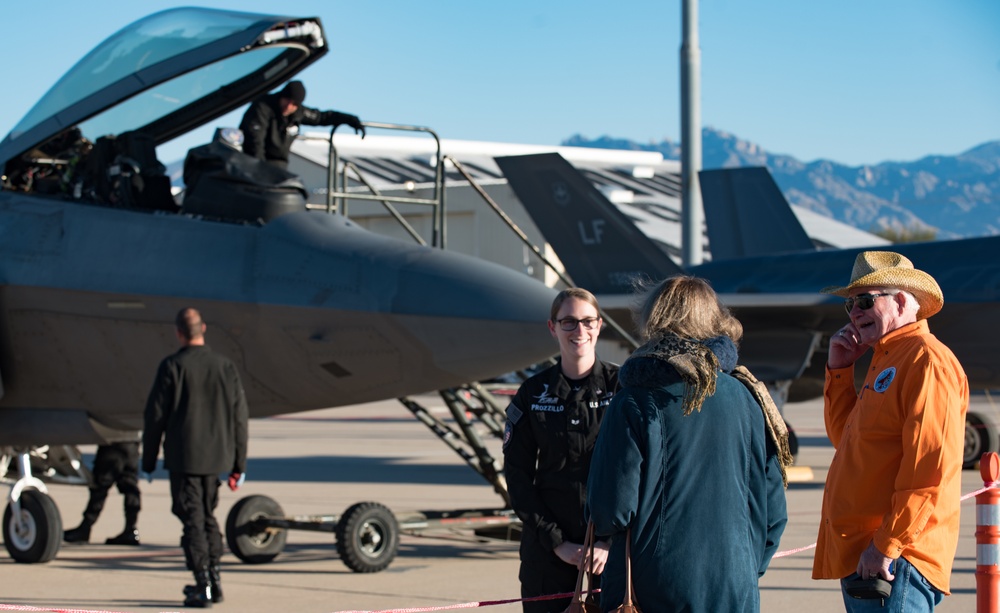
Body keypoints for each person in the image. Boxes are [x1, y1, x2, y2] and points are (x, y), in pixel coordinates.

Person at [587, 275, 788, 612]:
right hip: (735, 584)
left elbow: (611, 510)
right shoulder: (748, 396)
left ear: (654, 318)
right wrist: (747, 567)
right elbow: (772, 508)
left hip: (653, 587)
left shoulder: (635, 400)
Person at [812, 251, 968, 611]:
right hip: (871, 557)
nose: (854, 313)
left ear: (900, 301)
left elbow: (929, 469)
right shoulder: (888, 358)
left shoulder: (926, 361)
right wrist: (839, 372)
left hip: (895, 561)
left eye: (865, 301)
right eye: (850, 305)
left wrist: (886, 544)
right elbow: (848, 443)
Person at [503, 288, 620, 613]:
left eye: (587, 321)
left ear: (599, 325)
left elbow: (642, 471)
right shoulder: (533, 393)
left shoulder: (622, 388)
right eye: (568, 322)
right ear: (552, 327)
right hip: (548, 551)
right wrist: (556, 543)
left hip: (611, 552)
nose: (579, 331)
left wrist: (610, 541)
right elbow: (517, 474)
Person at [142, 308, 249, 608]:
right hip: (216, 458)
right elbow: (240, 418)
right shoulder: (225, 367)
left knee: (193, 520)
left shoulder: (172, 366)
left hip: (185, 457)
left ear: (178, 332)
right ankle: (214, 577)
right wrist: (239, 464)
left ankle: (204, 583)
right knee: (206, 516)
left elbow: (155, 417)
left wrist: (148, 460)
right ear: (202, 328)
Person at [238, 80, 365, 169]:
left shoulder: (298, 113)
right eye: (287, 100)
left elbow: (322, 117)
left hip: (279, 165)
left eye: (294, 104)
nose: (289, 106)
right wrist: (259, 168)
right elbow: (254, 140)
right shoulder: (263, 107)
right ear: (281, 96)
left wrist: (350, 120)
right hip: (255, 162)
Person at [63, 441, 142, 546]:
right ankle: (130, 529)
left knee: (100, 486)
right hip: (131, 443)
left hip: (113, 441)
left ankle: (85, 527)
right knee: (129, 486)